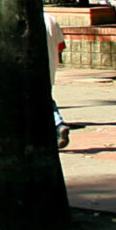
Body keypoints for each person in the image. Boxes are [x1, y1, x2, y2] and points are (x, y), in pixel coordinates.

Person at [44, 10, 70, 149]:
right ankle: (57, 125)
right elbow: (61, 46)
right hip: (50, 67)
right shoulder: (50, 19)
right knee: (45, 97)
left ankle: (57, 123)